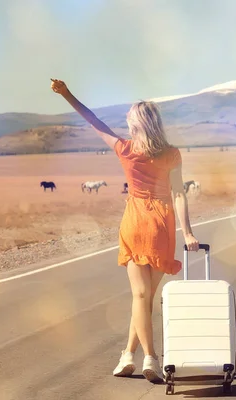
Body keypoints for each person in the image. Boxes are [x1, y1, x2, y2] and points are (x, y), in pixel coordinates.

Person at [50, 78, 200, 384]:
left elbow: (94, 121)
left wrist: (67, 94)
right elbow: (180, 194)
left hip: (134, 223)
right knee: (144, 296)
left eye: (129, 120)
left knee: (140, 296)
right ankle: (144, 358)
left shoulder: (124, 148)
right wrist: (187, 233)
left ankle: (138, 357)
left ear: (136, 125)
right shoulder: (172, 154)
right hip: (162, 225)